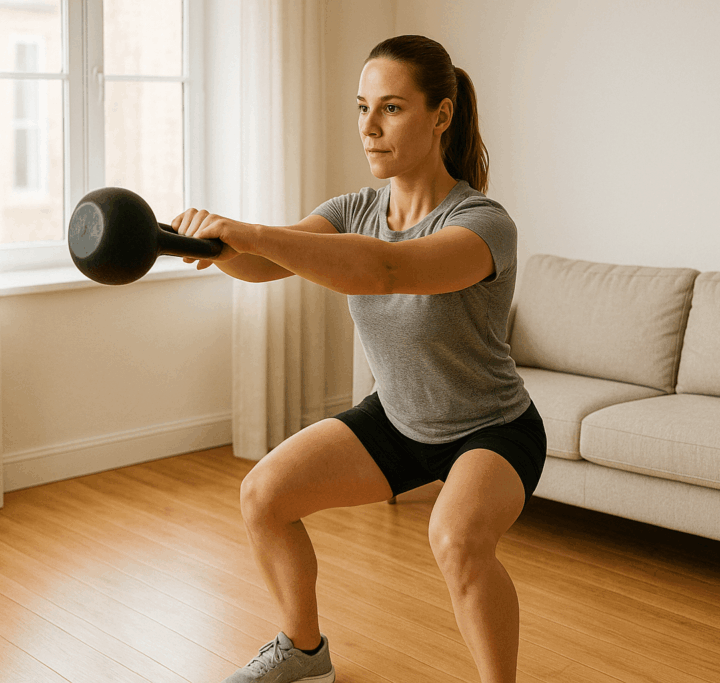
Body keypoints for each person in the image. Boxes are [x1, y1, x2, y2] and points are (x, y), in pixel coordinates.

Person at [173, 34, 546, 683]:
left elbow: (385, 269)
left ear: (442, 115)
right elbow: (265, 264)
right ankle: (305, 649)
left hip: (491, 429)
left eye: (391, 109)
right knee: (264, 494)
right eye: (361, 107)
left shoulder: (485, 224)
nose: (368, 128)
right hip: (399, 419)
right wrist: (210, 242)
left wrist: (248, 230)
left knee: (456, 539)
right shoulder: (353, 210)